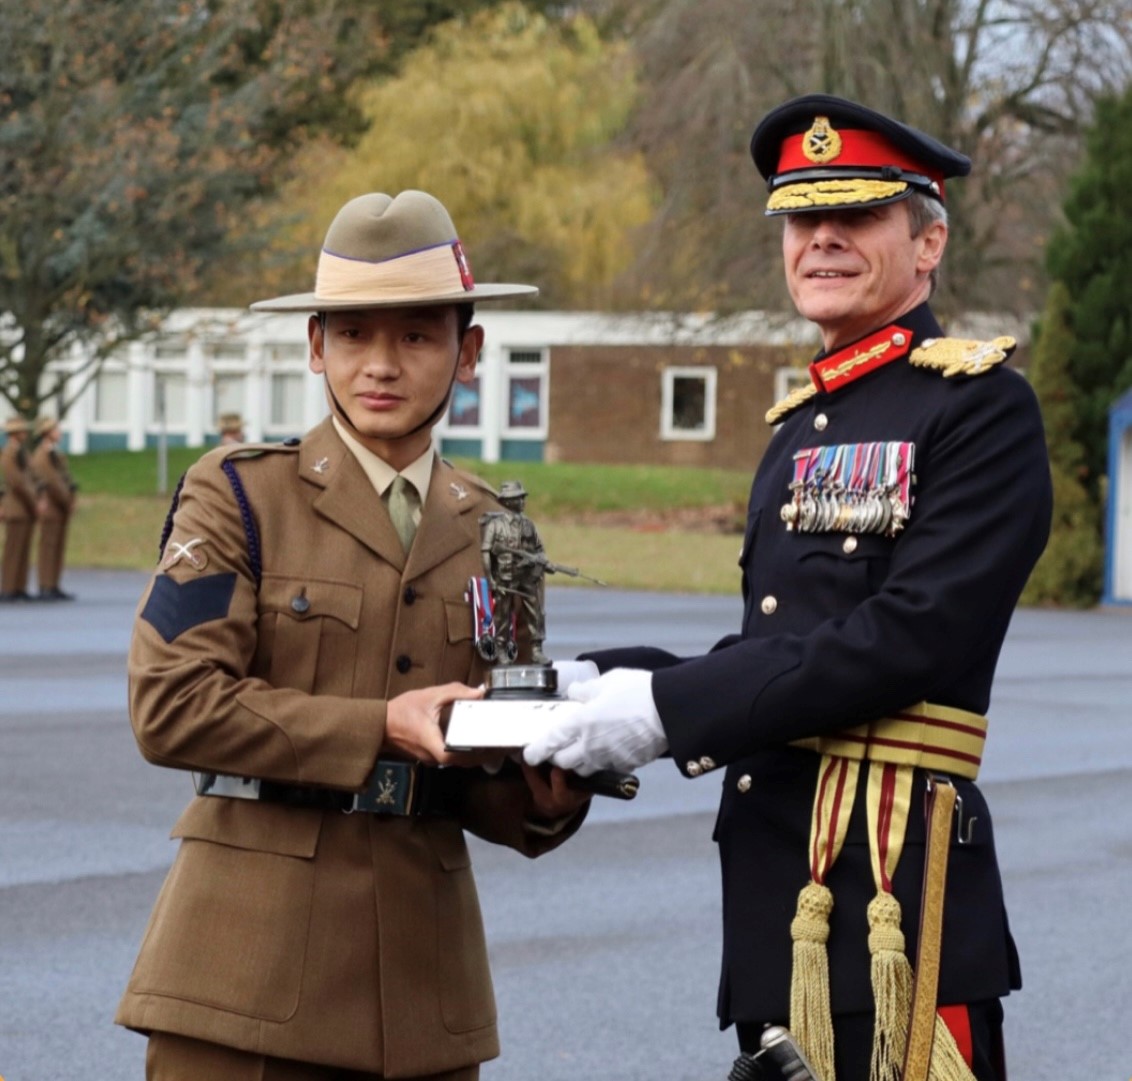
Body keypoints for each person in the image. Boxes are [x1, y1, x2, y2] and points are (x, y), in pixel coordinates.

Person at [524, 95, 1052, 1081]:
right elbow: (779, 651)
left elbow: (907, 639)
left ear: (926, 241)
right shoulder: (803, 422)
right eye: (800, 218)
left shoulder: (980, 409)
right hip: (781, 904)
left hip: (895, 902)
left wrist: (663, 711)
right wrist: (605, 678)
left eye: (854, 215)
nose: (820, 237)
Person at [116, 189, 591, 1081]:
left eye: (415, 336)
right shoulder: (240, 495)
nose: (380, 364)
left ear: (469, 351)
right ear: (314, 346)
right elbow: (170, 708)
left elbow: (484, 776)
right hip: (243, 984)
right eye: (352, 335)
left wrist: (547, 795)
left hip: (423, 997)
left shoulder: (500, 531)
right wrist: (382, 724)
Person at [479, 480, 550, 665]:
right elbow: (486, 552)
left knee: (536, 611)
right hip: (505, 576)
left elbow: (539, 549)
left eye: (522, 498)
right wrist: (491, 579)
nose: (523, 502)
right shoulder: (495, 525)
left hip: (527, 577)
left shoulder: (529, 525)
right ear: (509, 501)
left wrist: (541, 561)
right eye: (519, 498)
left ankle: (536, 649)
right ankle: (501, 648)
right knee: (502, 614)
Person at [30, 416, 78, 600]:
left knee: (57, 547)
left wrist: (70, 498)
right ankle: (45, 585)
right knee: (48, 548)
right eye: (56, 430)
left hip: (60, 508)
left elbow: (65, 479)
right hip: (52, 506)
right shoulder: (42, 456)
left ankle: (54, 584)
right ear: (47, 433)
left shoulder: (55, 455)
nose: (59, 433)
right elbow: (52, 483)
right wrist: (67, 499)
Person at [1, 415, 41, 602]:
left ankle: (19, 586)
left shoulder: (22, 453)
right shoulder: (9, 454)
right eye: (22, 430)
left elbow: (31, 475)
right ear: (14, 433)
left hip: (25, 508)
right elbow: (16, 483)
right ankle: (9, 587)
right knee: (13, 550)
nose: (25, 433)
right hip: (17, 507)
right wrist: (34, 500)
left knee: (23, 550)